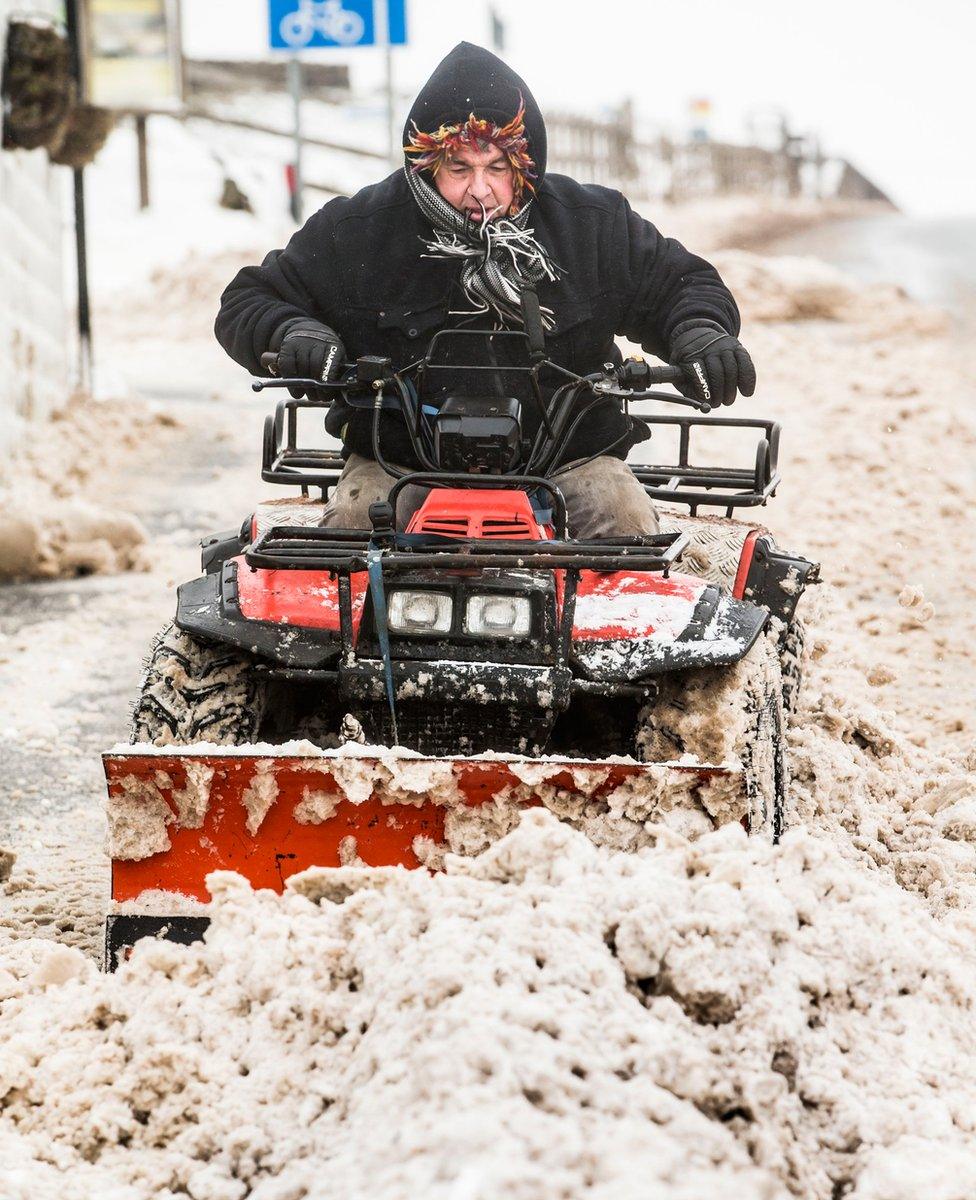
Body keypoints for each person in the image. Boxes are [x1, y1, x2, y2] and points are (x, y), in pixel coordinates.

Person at [215, 42, 755, 537]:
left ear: (525, 165)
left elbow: (682, 284)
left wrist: (701, 334)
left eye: (498, 166)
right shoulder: (360, 228)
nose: (481, 190)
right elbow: (250, 299)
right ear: (426, 164)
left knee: (627, 525)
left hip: (572, 457)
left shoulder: (592, 224)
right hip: (397, 458)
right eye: (459, 167)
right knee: (349, 533)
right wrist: (296, 331)